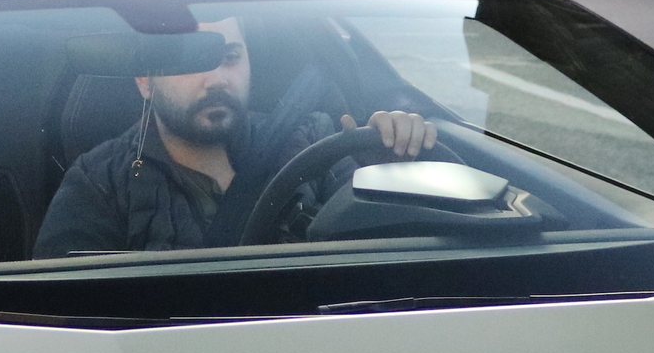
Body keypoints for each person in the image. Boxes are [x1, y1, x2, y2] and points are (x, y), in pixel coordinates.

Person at [34, 16, 437, 258]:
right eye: (192, 59)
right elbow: (67, 311)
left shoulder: (314, 138)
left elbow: (383, 260)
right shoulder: (101, 181)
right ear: (145, 80)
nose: (216, 78)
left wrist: (395, 172)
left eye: (230, 57)